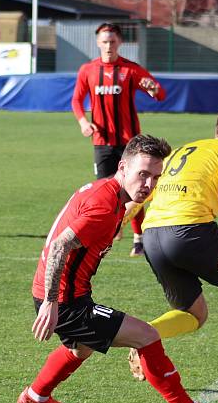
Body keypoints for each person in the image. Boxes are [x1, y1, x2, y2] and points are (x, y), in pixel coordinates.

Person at [18, 134, 218, 403]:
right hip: (64, 300)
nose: (149, 184)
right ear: (122, 167)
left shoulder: (108, 192)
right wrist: (52, 304)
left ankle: (35, 396)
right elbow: (59, 247)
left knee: (82, 349)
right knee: (146, 336)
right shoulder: (104, 205)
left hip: (68, 294)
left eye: (155, 177)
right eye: (143, 174)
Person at [129, 107, 218, 390]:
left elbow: (144, 191)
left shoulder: (185, 149)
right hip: (190, 229)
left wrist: (115, 226)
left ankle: (143, 335)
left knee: (195, 314)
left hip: (153, 234)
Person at [71, 23, 166, 258]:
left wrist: (154, 90)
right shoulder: (88, 70)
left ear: (119, 43)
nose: (108, 46)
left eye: (112, 41)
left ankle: (139, 239)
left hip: (130, 143)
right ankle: (108, 234)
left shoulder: (130, 69)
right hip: (102, 141)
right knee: (106, 189)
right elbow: (76, 100)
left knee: (135, 189)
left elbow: (159, 93)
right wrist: (84, 122)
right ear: (97, 43)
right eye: (104, 41)